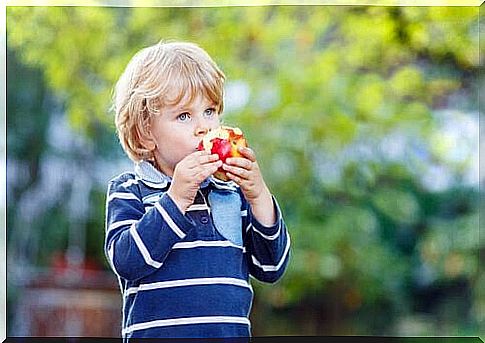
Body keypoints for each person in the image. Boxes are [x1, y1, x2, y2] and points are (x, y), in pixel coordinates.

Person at [105, 40, 290, 340]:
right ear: (146, 133)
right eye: (184, 116)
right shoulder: (130, 191)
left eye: (209, 110)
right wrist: (176, 199)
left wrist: (258, 196)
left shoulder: (231, 192)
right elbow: (127, 261)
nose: (203, 127)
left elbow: (271, 267)